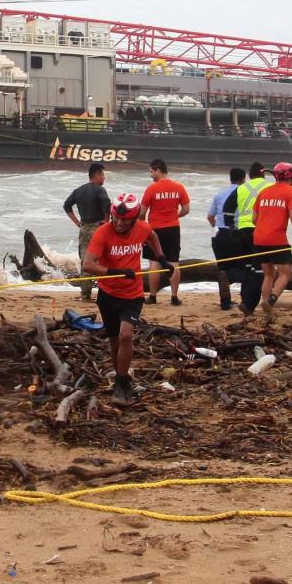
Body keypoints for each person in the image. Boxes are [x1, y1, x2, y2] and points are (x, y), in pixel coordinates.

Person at [82, 193, 176, 405]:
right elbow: (88, 264)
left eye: (125, 220)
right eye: (117, 218)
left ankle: (123, 381)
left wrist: (161, 258)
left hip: (132, 294)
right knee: (114, 339)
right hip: (108, 294)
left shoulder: (142, 227)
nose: (120, 223)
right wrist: (116, 271)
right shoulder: (102, 233)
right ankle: (119, 378)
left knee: (126, 335)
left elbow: (152, 236)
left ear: (134, 219)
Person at [252, 162, 292, 323]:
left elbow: (254, 219)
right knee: (285, 273)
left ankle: (267, 310)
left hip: (259, 238)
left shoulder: (263, 192)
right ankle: (271, 300)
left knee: (268, 274)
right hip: (277, 239)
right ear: (291, 178)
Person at [138, 158, 190, 306]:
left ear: (158, 170)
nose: (150, 175)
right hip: (173, 229)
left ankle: (153, 296)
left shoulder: (151, 189)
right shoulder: (179, 187)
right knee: (174, 262)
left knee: (154, 263)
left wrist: (143, 224)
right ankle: (174, 297)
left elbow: (142, 212)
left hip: (155, 230)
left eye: (151, 171)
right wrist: (175, 216)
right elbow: (186, 209)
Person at [63, 162, 112, 301]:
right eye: (102, 175)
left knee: (86, 262)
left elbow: (67, 206)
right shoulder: (100, 190)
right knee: (103, 260)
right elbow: (107, 204)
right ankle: (105, 293)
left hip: (84, 228)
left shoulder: (79, 190)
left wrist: (77, 222)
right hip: (99, 228)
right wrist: (106, 221)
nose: (104, 178)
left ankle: (85, 294)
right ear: (96, 175)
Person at [206, 167, 246, 310]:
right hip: (237, 233)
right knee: (244, 266)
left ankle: (225, 302)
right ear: (243, 179)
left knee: (222, 269)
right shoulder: (243, 193)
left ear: (230, 178)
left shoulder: (219, 194)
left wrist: (216, 228)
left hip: (220, 235)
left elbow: (210, 216)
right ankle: (245, 300)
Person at [234, 162, 270, 314]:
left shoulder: (241, 188)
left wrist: (230, 229)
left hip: (242, 230)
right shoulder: (268, 187)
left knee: (247, 268)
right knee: (259, 270)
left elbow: (228, 210)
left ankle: (244, 299)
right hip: (259, 230)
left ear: (249, 175)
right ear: (263, 174)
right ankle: (249, 304)